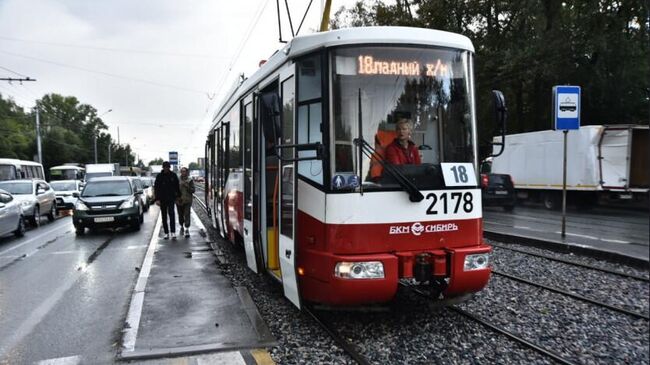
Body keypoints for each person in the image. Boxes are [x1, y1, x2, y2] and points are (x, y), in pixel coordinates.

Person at [154, 161, 180, 239]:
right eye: (165, 167)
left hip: (171, 198)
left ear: (169, 168)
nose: (166, 168)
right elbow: (156, 188)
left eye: (167, 167)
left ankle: (173, 232)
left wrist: (178, 197)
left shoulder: (173, 175)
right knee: (164, 216)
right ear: (163, 167)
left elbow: (177, 187)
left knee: (172, 214)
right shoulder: (159, 176)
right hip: (162, 199)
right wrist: (157, 199)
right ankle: (166, 232)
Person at [176, 167, 195, 238]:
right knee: (180, 215)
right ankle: (181, 225)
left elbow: (193, 190)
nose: (183, 173)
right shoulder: (177, 180)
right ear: (181, 172)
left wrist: (188, 187)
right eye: (182, 171)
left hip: (187, 200)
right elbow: (175, 189)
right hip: (179, 200)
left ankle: (187, 228)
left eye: (184, 171)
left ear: (187, 172)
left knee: (187, 214)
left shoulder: (190, 180)